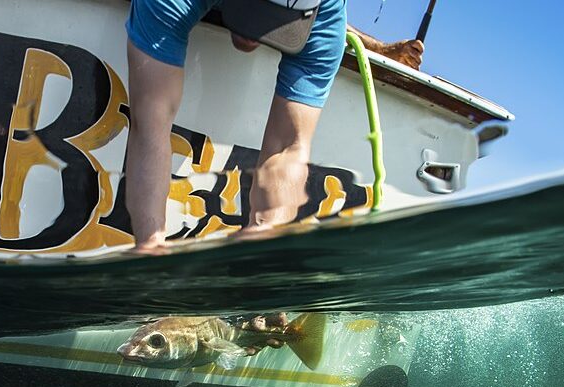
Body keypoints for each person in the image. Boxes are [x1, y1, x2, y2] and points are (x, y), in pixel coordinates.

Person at [123, 0, 424, 253]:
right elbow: (152, 119)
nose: (253, 39)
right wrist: (149, 253)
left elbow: (289, 150)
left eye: (276, 23)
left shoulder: (324, 17)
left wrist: (262, 247)